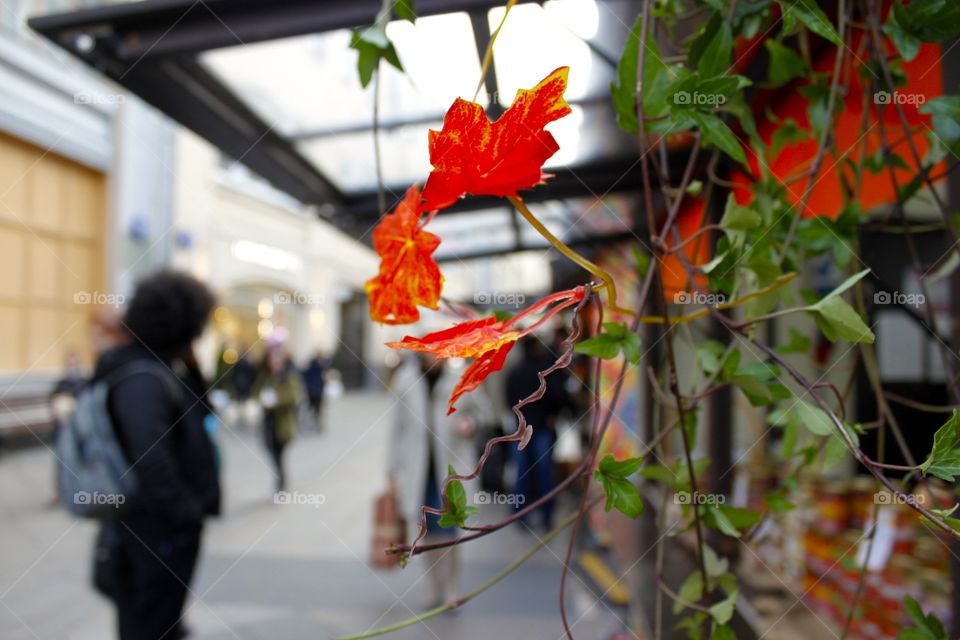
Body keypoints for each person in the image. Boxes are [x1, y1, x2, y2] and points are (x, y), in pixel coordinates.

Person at [90, 270, 220, 640]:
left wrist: (191, 362)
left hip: (156, 527)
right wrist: (185, 511)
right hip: (154, 529)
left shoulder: (158, 366)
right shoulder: (142, 376)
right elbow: (150, 457)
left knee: (159, 620)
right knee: (149, 623)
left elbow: (204, 411)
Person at [387, 352, 490, 607]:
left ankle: (451, 586)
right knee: (427, 531)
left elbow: (486, 414)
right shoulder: (405, 380)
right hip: (419, 470)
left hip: (451, 470)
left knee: (450, 530)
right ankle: (433, 586)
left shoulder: (461, 378)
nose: (434, 358)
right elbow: (395, 428)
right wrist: (391, 468)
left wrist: (471, 424)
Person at [505, 337, 572, 531]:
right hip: (542, 428)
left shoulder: (514, 374)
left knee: (521, 472)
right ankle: (546, 516)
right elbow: (559, 398)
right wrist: (555, 414)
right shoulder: (546, 374)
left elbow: (508, 401)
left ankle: (519, 515)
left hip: (520, 430)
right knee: (544, 473)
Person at [254, 346, 303, 495]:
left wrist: (276, 401)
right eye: (272, 359)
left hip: (282, 424)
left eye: (278, 359)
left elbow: (294, 396)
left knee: (278, 456)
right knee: (271, 452)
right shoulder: (266, 377)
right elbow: (256, 392)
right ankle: (280, 482)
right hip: (268, 423)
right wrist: (262, 400)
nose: (275, 362)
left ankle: (280, 484)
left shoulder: (289, 376)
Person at [301, 351, 328, 431]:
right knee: (313, 407)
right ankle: (313, 422)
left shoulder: (323, 365)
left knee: (317, 408)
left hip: (317, 390)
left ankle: (317, 423)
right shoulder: (313, 365)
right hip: (313, 390)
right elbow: (306, 375)